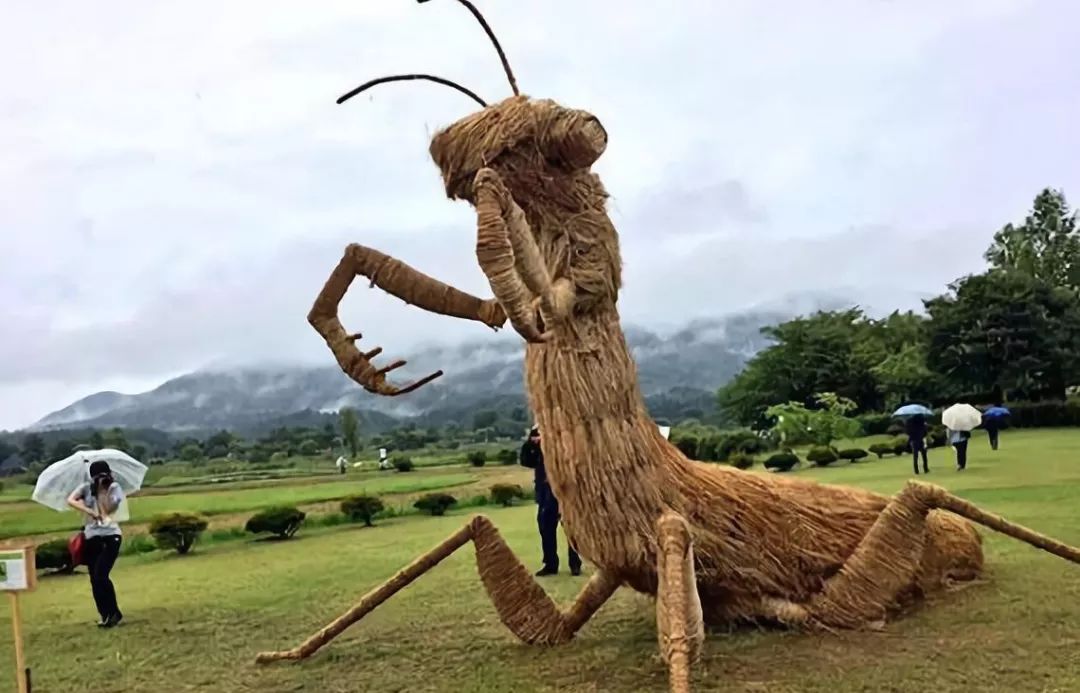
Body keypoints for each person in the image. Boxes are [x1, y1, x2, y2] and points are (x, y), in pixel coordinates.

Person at [66, 460, 125, 628]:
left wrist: (102, 491)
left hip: (110, 536)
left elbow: (108, 511)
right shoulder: (85, 487)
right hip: (91, 537)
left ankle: (114, 613)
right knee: (94, 578)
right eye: (98, 476)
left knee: (101, 575)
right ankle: (105, 615)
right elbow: (71, 500)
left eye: (104, 475)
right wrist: (89, 509)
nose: (102, 479)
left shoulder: (114, 488)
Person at [519, 426, 581, 577]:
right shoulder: (536, 437)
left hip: (565, 491)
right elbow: (526, 461)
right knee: (545, 528)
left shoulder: (564, 435)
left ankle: (575, 563)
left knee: (571, 529)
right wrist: (531, 442)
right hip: (545, 492)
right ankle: (550, 563)